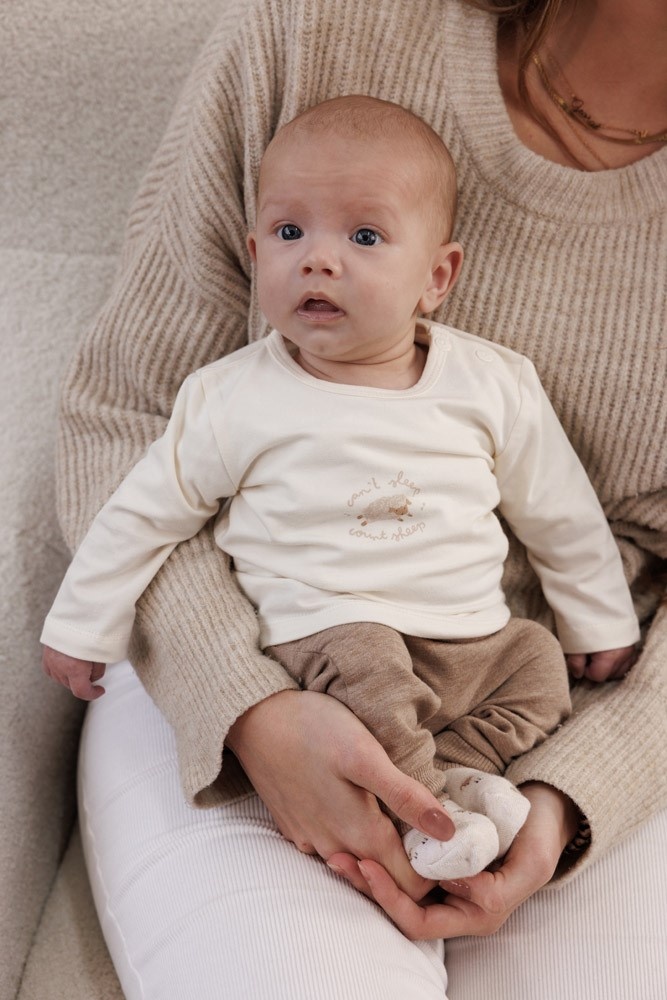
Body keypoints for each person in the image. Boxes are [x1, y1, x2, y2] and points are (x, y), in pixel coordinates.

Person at [49, 0, 666, 996]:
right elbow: (128, 433)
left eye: (365, 236)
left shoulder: (487, 382)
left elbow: (559, 514)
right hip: (268, 641)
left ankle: (456, 789)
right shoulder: (316, 28)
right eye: (290, 232)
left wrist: (578, 788)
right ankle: (430, 796)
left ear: (439, 277)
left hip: (580, 703)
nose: (320, 259)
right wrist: (245, 704)